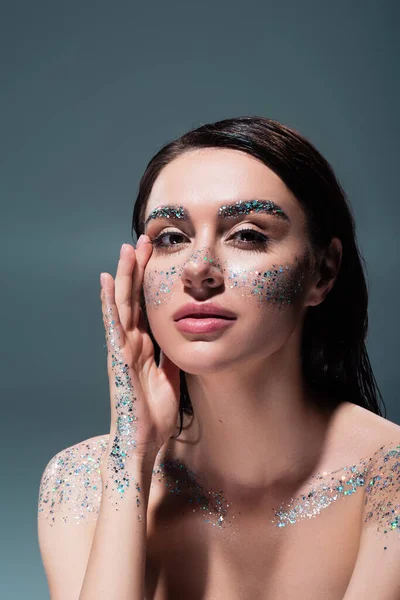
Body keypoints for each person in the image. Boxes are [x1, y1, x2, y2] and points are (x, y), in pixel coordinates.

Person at [37, 116, 400, 599]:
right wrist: (132, 457)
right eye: (170, 237)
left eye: (247, 234)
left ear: (323, 271)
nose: (198, 270)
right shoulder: (79, 484)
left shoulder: (390, 480)